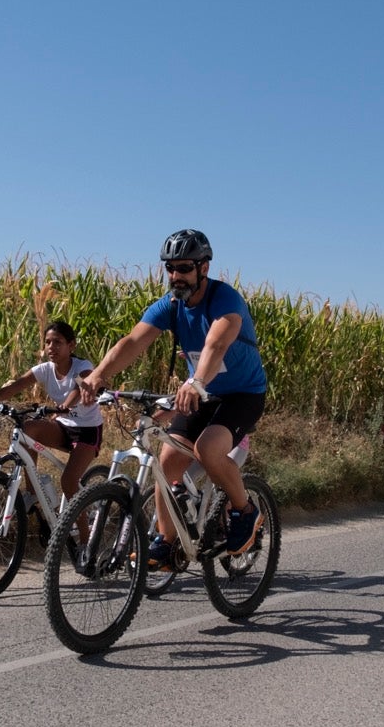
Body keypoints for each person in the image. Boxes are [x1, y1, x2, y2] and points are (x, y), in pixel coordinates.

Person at [76, 229, 267, 564]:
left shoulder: (225, 300)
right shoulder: (171, 305)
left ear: (203, 267)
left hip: (243, 394)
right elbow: (132, 342)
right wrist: (98, 375)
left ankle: (245, 510)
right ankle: (166, 542)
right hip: (204, 394)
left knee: (208, 449)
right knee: (166, 461)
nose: (175, 276)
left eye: (184, 268)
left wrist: (195, 381)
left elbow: (216, 344)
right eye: (170, 268)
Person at [0, 320, 104, 501]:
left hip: (87, 430)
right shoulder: (45, 369)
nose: (50, 347)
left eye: (57, 342)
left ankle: (83, 531)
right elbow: (14, 387)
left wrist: (66, 405)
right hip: (62, 426)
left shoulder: (82, 366)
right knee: (27, 429)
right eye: (47, 342)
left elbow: (81, 386)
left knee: (69, 482)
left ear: (71, 345)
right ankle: (32, 493)